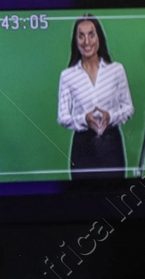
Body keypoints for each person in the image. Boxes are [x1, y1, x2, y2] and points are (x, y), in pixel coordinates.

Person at [56, 16, 134, 176]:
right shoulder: (67, 76)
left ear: (99, 37)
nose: (87, 42)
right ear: (76, 40)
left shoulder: (116, 70)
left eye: (91, 34)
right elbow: (62, 117)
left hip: (112, 145)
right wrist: (84, 119)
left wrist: (110, 116)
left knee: (117, 197)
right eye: (81, 36)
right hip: (83, 148)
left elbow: (128, 108)